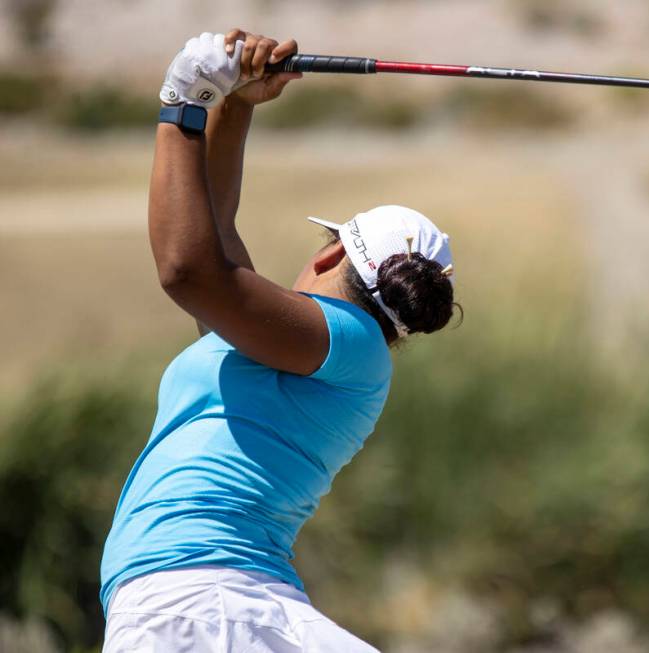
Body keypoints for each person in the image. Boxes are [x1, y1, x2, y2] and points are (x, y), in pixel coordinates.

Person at [100, 29, 458, 652]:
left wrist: (182, 100)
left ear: (332, 256)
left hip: (203, 605)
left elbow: (188, 268)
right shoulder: (302, 346)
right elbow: (212, 224)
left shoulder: (346, 343)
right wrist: (236, 103)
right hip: (219, 602)